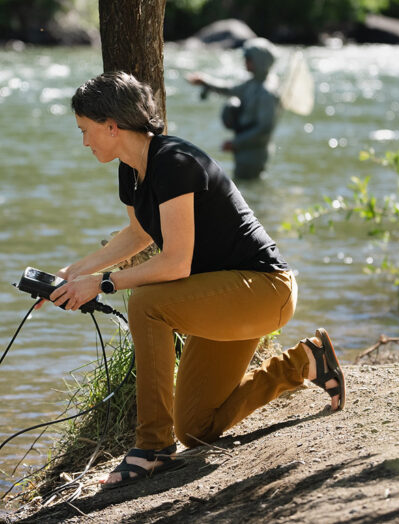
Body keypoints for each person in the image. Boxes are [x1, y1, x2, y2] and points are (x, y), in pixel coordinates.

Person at [47, 71, 345, 491]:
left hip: (263, 291)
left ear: (111, 126)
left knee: (145, 303)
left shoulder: (173, 162)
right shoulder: (131, 171)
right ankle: (306, 361)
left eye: (86, 131)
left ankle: (151, 446)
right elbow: (138, 235)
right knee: (197, 428)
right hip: (225, 297)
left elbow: (176, 264)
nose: (84, 142)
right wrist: (73, 273)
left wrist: (104, 283)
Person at [186, 37, 280, 180]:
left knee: (248, 185)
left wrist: (235, 143)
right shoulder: (253, 83)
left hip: (254, 152)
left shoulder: (266, 92)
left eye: (248, 58)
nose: (245, 61)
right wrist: (205, 82)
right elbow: (230, 89)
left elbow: (264, 128)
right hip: (245, 147)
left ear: (259, 60)